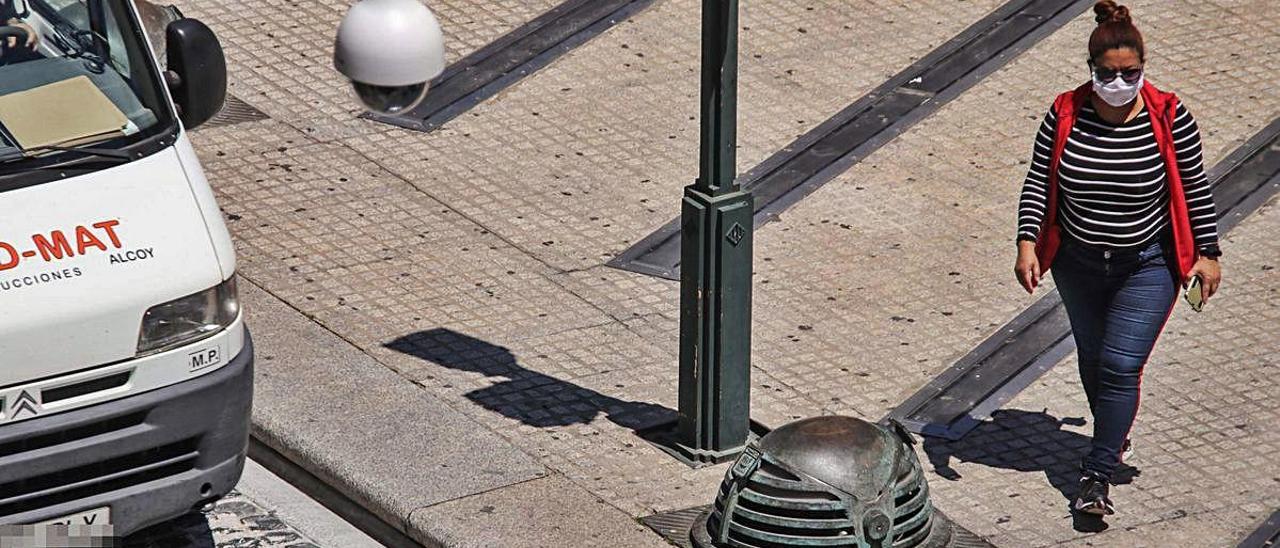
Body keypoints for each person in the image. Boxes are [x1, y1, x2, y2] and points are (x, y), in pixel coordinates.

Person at [1012, 0, 1222, 517]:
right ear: (1091, 71)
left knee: (1121, 364)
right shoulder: (1064, 113)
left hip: (1147, 264)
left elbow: (1194, 188)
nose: (1120, 81)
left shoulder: (1169, 115)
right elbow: (1039, 181)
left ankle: (1095, 474)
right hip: (1078, 263)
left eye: (1131, 73)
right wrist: (1025, 243)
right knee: (1092, 357)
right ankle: (1114, 431)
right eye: (1109, 74)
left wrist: (1209, 254)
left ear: (1143, 69)